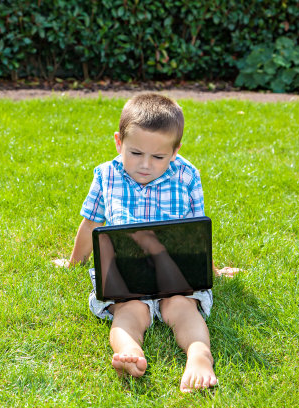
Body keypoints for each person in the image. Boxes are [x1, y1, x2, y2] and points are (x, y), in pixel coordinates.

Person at [53, 93, 239, 392]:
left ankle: (199, 355)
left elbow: (196, 235)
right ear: (118, 142)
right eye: (135, 153)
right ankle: (130, 353)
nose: (145, 165)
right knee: (129, 311)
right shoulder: (106, 176)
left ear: (175, 151)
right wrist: (74, 262)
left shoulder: (188, 176)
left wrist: (212, 271)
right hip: (125, 276)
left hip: (173, 272)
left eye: (158, 157)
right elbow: (90, 224)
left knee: (182, 308)